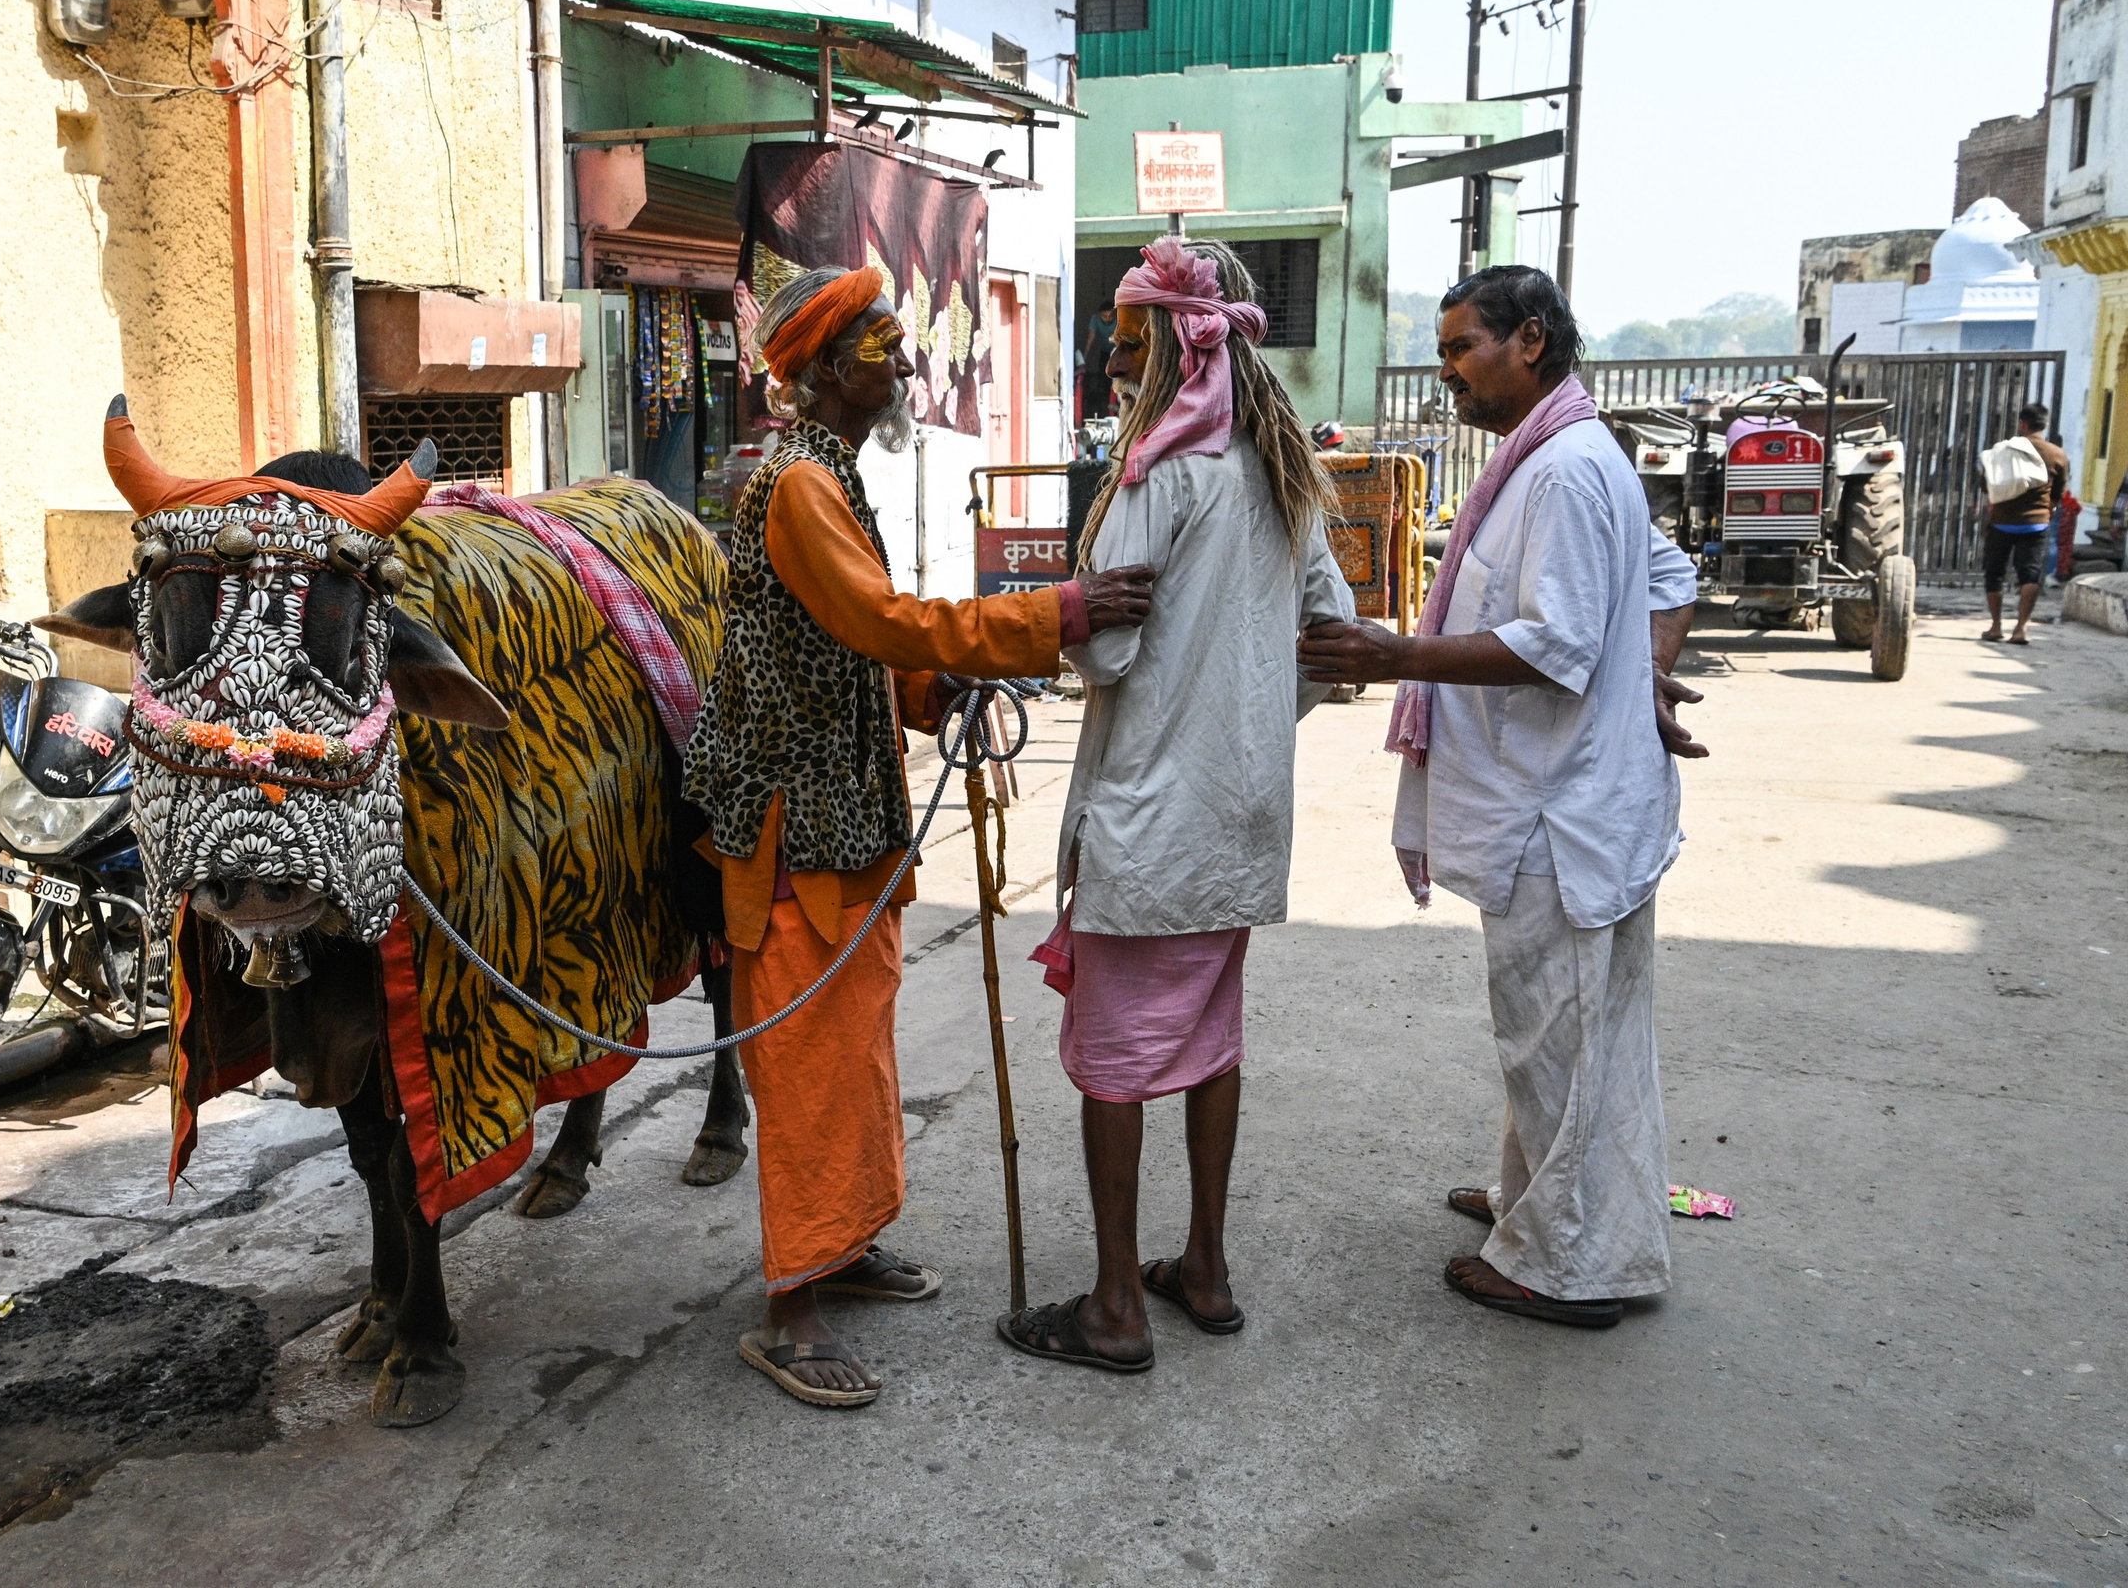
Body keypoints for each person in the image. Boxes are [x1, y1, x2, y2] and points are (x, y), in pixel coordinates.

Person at [683, 264, 1156, 1407]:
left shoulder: (835, 472)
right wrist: (1054, 614)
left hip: (849, 815)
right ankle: (790, 1307)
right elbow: (877, 616)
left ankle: (838, 1245)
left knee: (855, 1049)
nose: (901, 362)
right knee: (805, 1063)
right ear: (822, 367)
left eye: (899, 342)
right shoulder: (798, 483)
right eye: (882, 346)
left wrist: (929, 691)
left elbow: (860, 641)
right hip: (793, 828)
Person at [1300, 265, 1704, 1330]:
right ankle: (1541, 1206)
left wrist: (1399, 655)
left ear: (1530, 340)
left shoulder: (1566, 470)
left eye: (1458, 350)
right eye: (1439, 355)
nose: (1447, 377)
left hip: (1558, 816)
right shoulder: (1559, 456)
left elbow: (1557, 643)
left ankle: (1562, 1263)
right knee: (1563, 1036)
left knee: (1558, 1037)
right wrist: (1645, 677)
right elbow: (1662, 586)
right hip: (1572, 800)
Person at [994, 237, 1354, 1374]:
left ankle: (1113, 1303)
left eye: (1129, 328)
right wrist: (1247, 712)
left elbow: (1102, 652)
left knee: (1113, 1057)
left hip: (1152, 823)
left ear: (1172, 342)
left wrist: (1062, 612)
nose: (1114, 348)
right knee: (1207, 1041)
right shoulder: (1277, 474)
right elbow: (1329, 641)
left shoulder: (1157, 474)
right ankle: (1203, 1263)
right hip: (1240, 815)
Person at [1981, 403, 2068, 645]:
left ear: (2023, 424)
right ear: (2045, 425)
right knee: (2030, 575)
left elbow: (1985, 483)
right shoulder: (2057, 454)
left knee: (1994, 574)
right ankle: (2020, 629)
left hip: (2002, 523)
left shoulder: (2004, 451)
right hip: (2036, 524)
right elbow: (2060, 490)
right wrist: (2046, 508)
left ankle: (1996, 626)